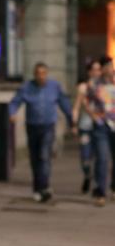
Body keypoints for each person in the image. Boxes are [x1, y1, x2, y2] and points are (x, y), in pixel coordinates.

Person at [8, 62, 74, 202]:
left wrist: (71, 120)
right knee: (35, 158)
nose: (41, 77)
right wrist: (12, 113)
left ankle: (44, 186)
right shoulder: (27, 87)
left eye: (43, 74)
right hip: (32, 126)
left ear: (47, 74)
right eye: (38, 74)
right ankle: (37, 187)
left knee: (44, 156)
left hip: (48, 126)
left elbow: (64, 103)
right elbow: (15, 101)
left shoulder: (54, 87)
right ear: (34, 75)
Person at [85, 55, 115, 205]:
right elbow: (87, 102)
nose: (110, 69)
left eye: (111, 66)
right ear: (102, 69)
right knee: (102, 158)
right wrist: (94, 116)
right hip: (101, 126)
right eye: (107, 66)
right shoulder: (94, 84)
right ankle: (100, 192)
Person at [72, 60, 101, 196]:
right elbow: (77, 106)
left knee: (101, 156)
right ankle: (87, 174)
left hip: (101, 126)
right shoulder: (83, 87)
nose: (96, 72)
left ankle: (98, 183)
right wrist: (74, 123)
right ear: (89, 71)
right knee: (85, 155)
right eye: (94, 70)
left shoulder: (105, 86)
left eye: (98, 69)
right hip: (85, 126)